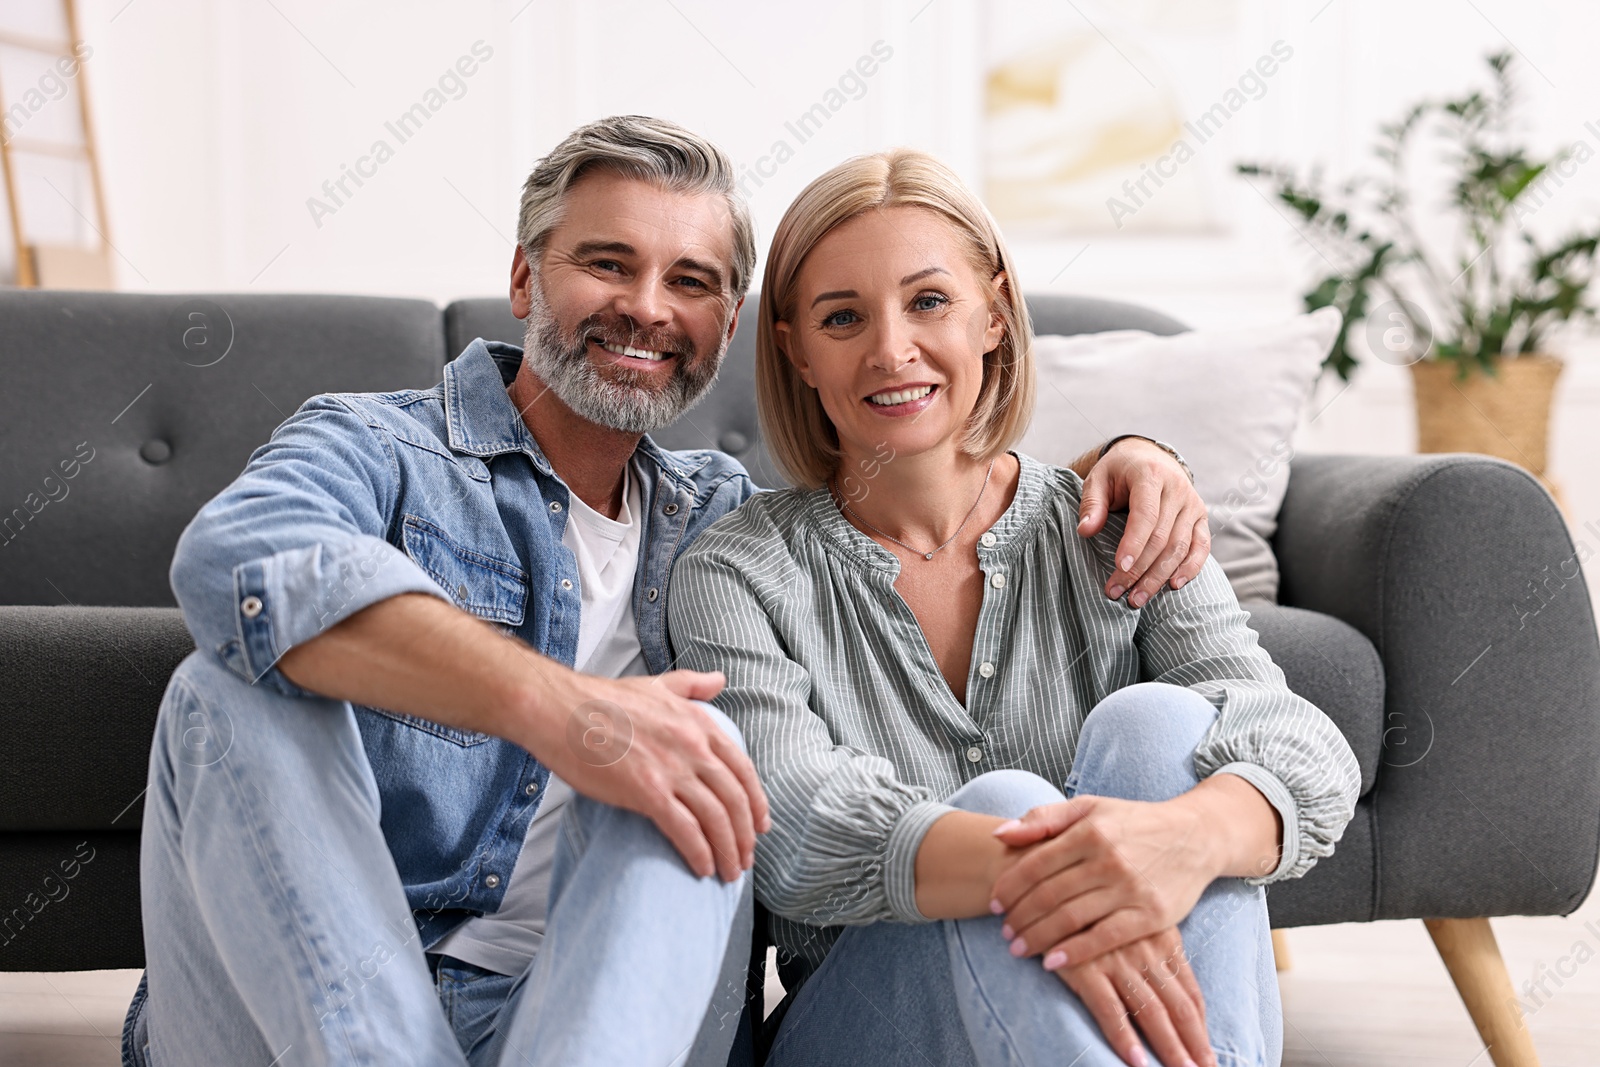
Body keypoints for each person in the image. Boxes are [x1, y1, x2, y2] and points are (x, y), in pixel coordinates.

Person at [120, 117, 1208, 1067]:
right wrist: (567, 711)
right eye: (607, 262)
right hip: (296, 1013)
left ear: (728, 326)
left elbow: (916, 462)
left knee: (701, 749)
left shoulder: (724, 526)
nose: (645, 308)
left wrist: (1132, 451)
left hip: (602, 1022)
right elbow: (240, 565)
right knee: (219, 695)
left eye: (688, 280)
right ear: (523, 278)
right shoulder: (377, 446)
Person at [667, 148, 1362, 1067]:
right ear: (796, 348)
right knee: (1002, 805)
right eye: (844, 317)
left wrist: (1177, 841)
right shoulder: (738, 568)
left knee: (1160, 725)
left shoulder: (1122, 521)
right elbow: (793, 829)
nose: (890, 348)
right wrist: (1063, 869)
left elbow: (1303, 747)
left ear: (994, 312)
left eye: (929, 301)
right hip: (869, 1030)